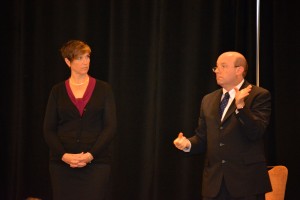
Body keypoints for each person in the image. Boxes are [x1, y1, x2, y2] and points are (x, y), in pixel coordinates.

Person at [173, 51, 272, 200]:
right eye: (216, 67)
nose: (217, 70)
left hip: (245, 183)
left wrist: (240, 108)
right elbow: (202, 138)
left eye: (223, 66)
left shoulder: (258, 95)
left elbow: (256, 132)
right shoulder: (208, 100)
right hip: (214, 183)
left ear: (238, 70)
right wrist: (187, 144)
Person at [43, 40, 117, 200]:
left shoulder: (104, 89)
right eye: (80, 58)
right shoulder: (57, 91)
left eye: (87, 56)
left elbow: (110, 127)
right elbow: (48, 129)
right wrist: (64, 155)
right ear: (68, 61)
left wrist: (91, 155)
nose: (86, 62)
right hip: (62, 165)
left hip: (96, 164)